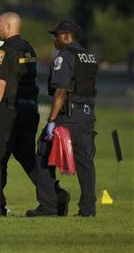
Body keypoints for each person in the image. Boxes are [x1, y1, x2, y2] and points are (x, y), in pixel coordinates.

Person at [0, 12, 58, 217]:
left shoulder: (3, 52)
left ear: (7, 26)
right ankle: (52, 201)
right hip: (30, 110)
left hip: (8, 111)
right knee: (28, 158)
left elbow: (0, 85)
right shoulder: (28, 49)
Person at [35, 20, 98, 217]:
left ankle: (50, 205)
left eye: (56, 35)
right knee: (85, 162)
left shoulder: (65, 56)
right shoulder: (89, 56)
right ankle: (88, 209)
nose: (54, 39)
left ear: (66, 36)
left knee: (42, 154)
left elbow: (61, 91)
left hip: (68, 116)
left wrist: (51, 121)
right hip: (87, 114)